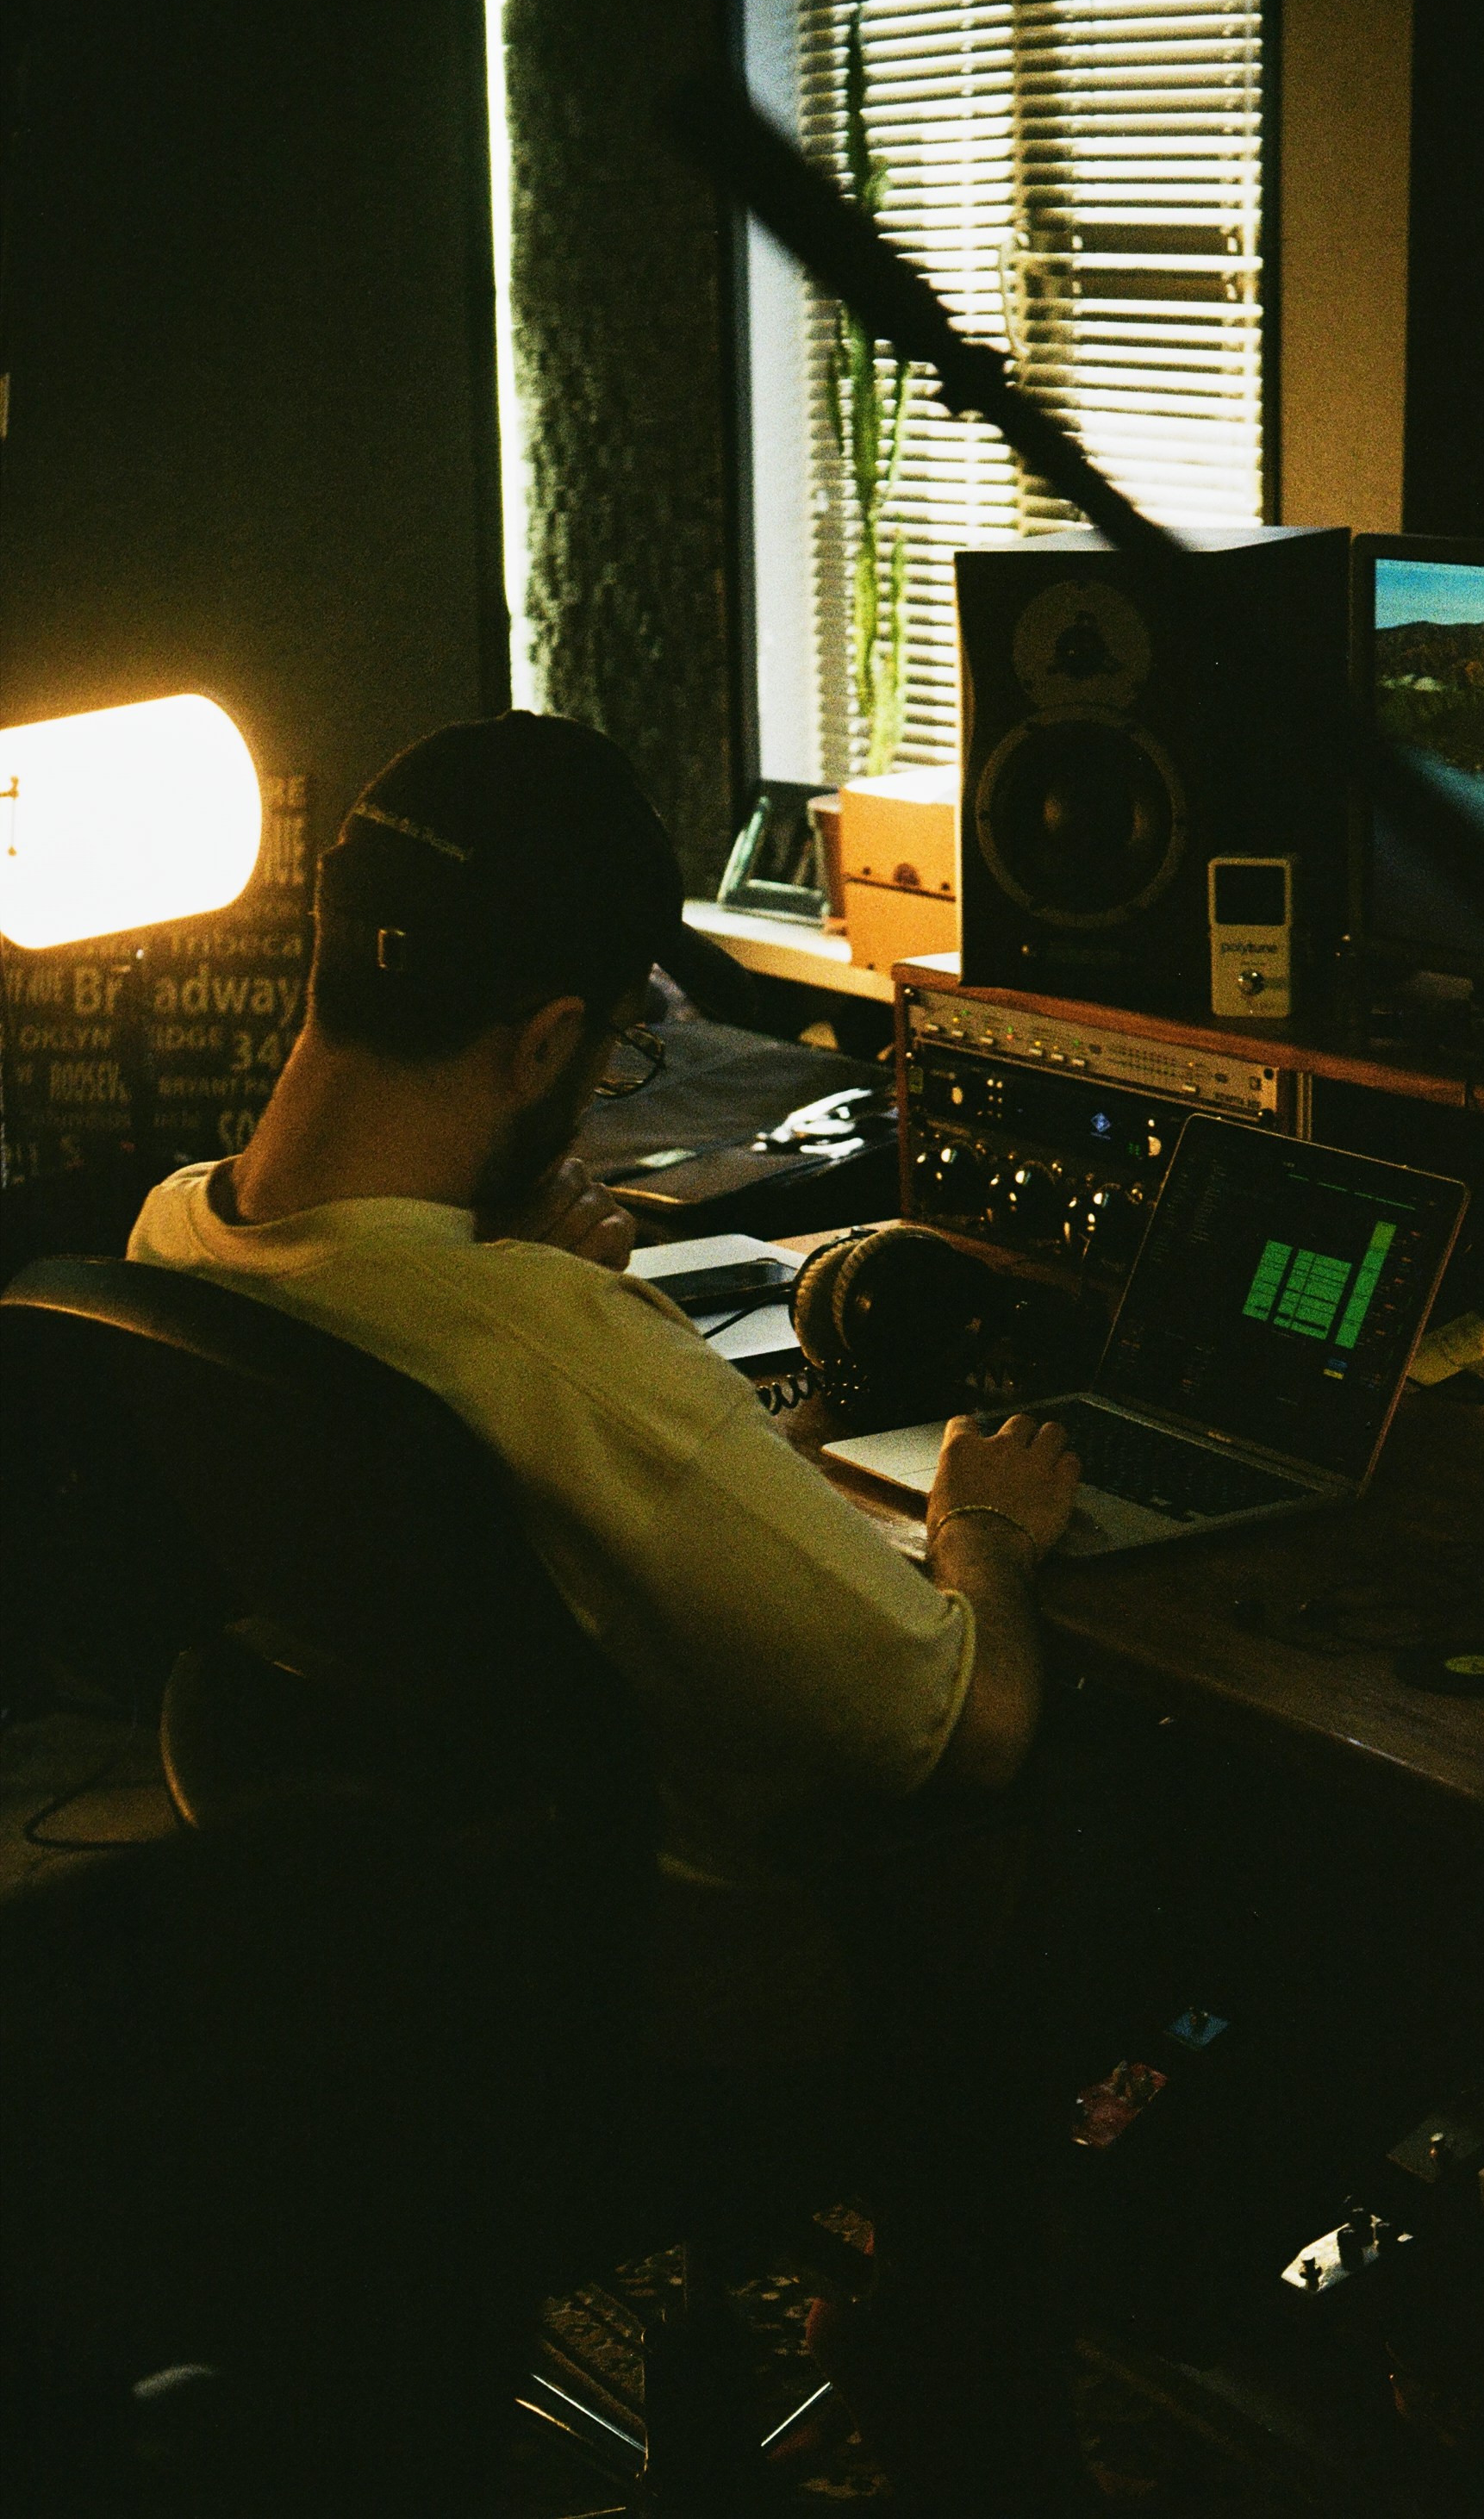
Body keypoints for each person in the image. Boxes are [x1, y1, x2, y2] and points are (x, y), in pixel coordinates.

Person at [128, 711, 1091, 2511]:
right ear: (551, 1038)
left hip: (387, 1954)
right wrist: (982, 1529)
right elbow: (971, 1720)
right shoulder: (548, 1349)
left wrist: (581, 1326)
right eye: (616, 1045)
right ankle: (974, 2377)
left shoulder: (168, 1244)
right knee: (1080, 1822)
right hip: (673, 1990)